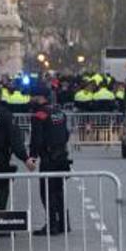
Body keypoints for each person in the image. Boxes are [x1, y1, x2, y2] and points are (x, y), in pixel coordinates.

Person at [0, 83, 35, 222]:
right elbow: (15, 139)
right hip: (1, 156)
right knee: (1, 188)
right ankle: (0, 221)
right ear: (0, 96)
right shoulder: (6, 113)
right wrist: (25, 158)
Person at [29, 84, 70, 236]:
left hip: (49, 158)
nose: (30, 99)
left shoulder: (40, 115)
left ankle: (52, 224)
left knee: (47, 192)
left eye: (32, 96)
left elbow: (36, 138)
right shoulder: (59, 112)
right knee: (58, 191)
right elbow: (66, 134)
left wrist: (32, 157)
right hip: (62, 157)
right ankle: (64, 224)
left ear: (40, 97)